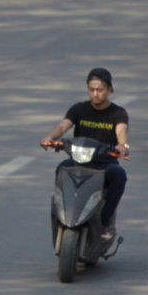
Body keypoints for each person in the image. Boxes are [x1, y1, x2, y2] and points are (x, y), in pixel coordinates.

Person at [40, 68, 129, 240]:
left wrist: (122, 145)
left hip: (104, 164)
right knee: (62, 168)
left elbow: (121, 131)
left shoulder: (118, 113)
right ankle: (63, 214)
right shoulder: (79, 109)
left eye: (100, 89)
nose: (95, 94)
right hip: (78, 162)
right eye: (91, 89)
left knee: (119, 175)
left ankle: (104, 223)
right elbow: (63, 126)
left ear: (110, 90)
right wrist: (49, 138)